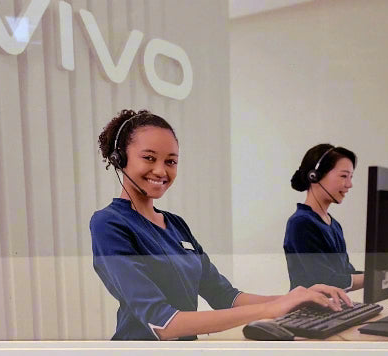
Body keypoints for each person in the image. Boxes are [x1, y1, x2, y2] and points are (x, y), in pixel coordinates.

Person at [90, 109, 351, 340]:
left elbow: (225, 296)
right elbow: (163, 323)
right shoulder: (109, 223)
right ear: (119, 158)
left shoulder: (175, 224)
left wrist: (295, 299)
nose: (161, 170)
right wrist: (269, 310)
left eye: (170, 161)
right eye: (149, 158)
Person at [283, 143, 365, 293]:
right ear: (315, 176)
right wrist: (375, 278)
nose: (349, 184)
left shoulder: (333, 224)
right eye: (343, 176)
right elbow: (326, 281)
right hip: (307, 313)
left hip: (333, 308)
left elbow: (346, 274)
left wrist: (385, 276)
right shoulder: (301, 223)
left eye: (351, 177)